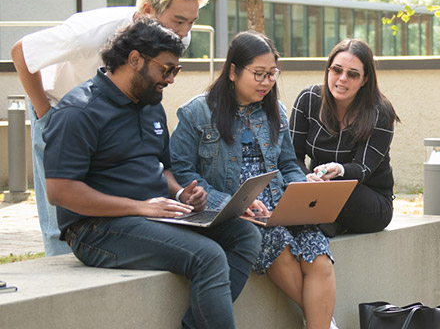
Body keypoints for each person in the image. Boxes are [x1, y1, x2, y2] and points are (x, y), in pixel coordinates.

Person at [43, 19, 261, 329]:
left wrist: (179, 193)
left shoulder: (150, 105)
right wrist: (141, 207)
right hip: (96, 229)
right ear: (135, 60)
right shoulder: (79, 111)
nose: (171, 79)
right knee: (208, 255)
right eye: (166, 69)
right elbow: (61, 192)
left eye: (176, 70)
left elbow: (165, 168)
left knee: (245, 234)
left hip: (155, 216)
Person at [10, 0, 210, 256]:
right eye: (178, 21)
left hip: (119, 109)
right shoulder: (88, 33)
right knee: (61, 207)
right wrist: (45, 115)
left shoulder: (175, 36)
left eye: (191, 22)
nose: (184, 33)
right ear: (146, 10)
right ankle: (60, 267)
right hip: (60, 107)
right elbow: (21, 53)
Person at [170, 31, 338, 329]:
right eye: (258, 74)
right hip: (239, 213)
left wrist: (300, 194)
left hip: (281, 205)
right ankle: (323, 320)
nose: (266, 82)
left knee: (319, 257)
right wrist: (229, 204)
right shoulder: (197, 112)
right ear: (233, 71)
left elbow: (287, 162)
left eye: (272, 74)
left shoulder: (275, 111)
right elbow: (181, 171)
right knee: (281, 248)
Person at [290, 38, 400, 237]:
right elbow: (291, 156)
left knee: (334, 192)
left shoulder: (380, 113)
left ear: (365, 80)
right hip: (318, 190)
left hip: (367, 198)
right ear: (328, 70)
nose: (342, 79)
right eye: (336, 70)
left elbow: (363, 169)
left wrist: (339, 170)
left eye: (352, 74)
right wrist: (304, 177)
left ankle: (326, 222)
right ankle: (327, 223)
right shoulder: (308, 100)